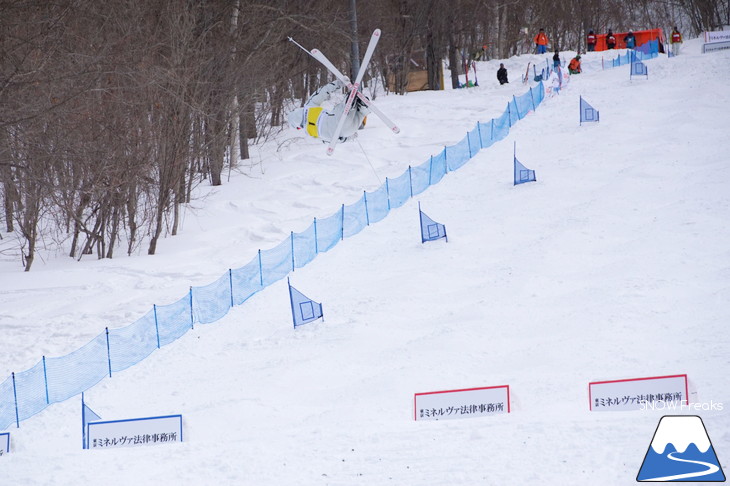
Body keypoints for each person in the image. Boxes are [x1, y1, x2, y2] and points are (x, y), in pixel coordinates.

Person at [287, 80, 369, 144]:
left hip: (346, 132)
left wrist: (348, 137)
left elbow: (327, 141)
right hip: (339, 119)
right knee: (339, 110)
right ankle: (351, 101)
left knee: (360, 114)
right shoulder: (308, 107)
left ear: (298, 125)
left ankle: (363, 108)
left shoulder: (309, 132)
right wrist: (339, 83)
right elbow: (323, 91)